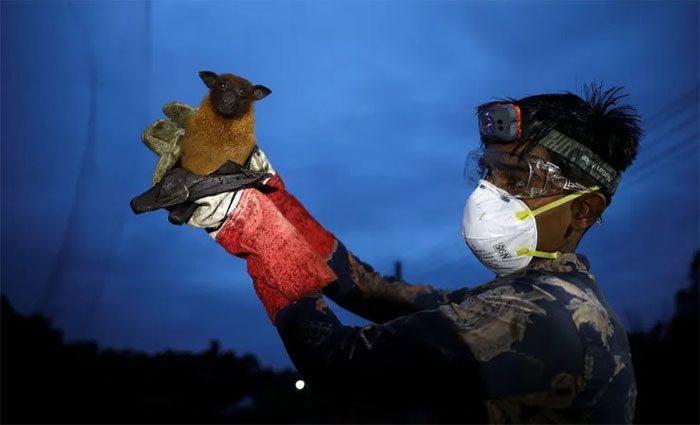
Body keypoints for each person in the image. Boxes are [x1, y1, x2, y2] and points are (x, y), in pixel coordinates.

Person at [135, 84, 642, 423]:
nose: (490, 193)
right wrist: (267, 191)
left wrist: (248, 225)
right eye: (489, 173)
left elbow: (336, 362)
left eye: (518, 180)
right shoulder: (534, 297)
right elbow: (369, 289)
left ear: (583, 210)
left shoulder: (542, 315)